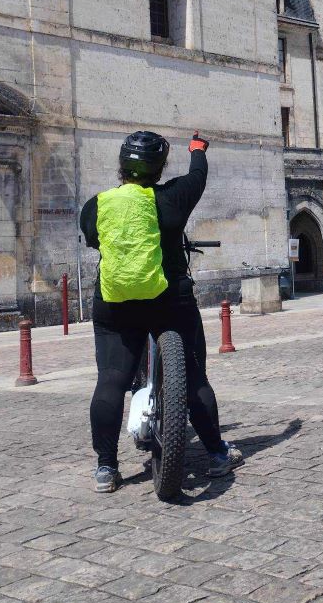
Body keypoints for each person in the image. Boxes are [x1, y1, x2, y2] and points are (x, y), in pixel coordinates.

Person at [80, 130, 242, 493]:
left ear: (122, 166)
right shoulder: (173, 198)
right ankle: (216, 453)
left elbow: (92, 238)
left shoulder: (98, 205)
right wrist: (198, 150)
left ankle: (106, 467)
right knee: (193, 376)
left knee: (111, 379)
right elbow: (198, 176)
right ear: (160, 168)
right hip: (169, 300)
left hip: (115, 304)